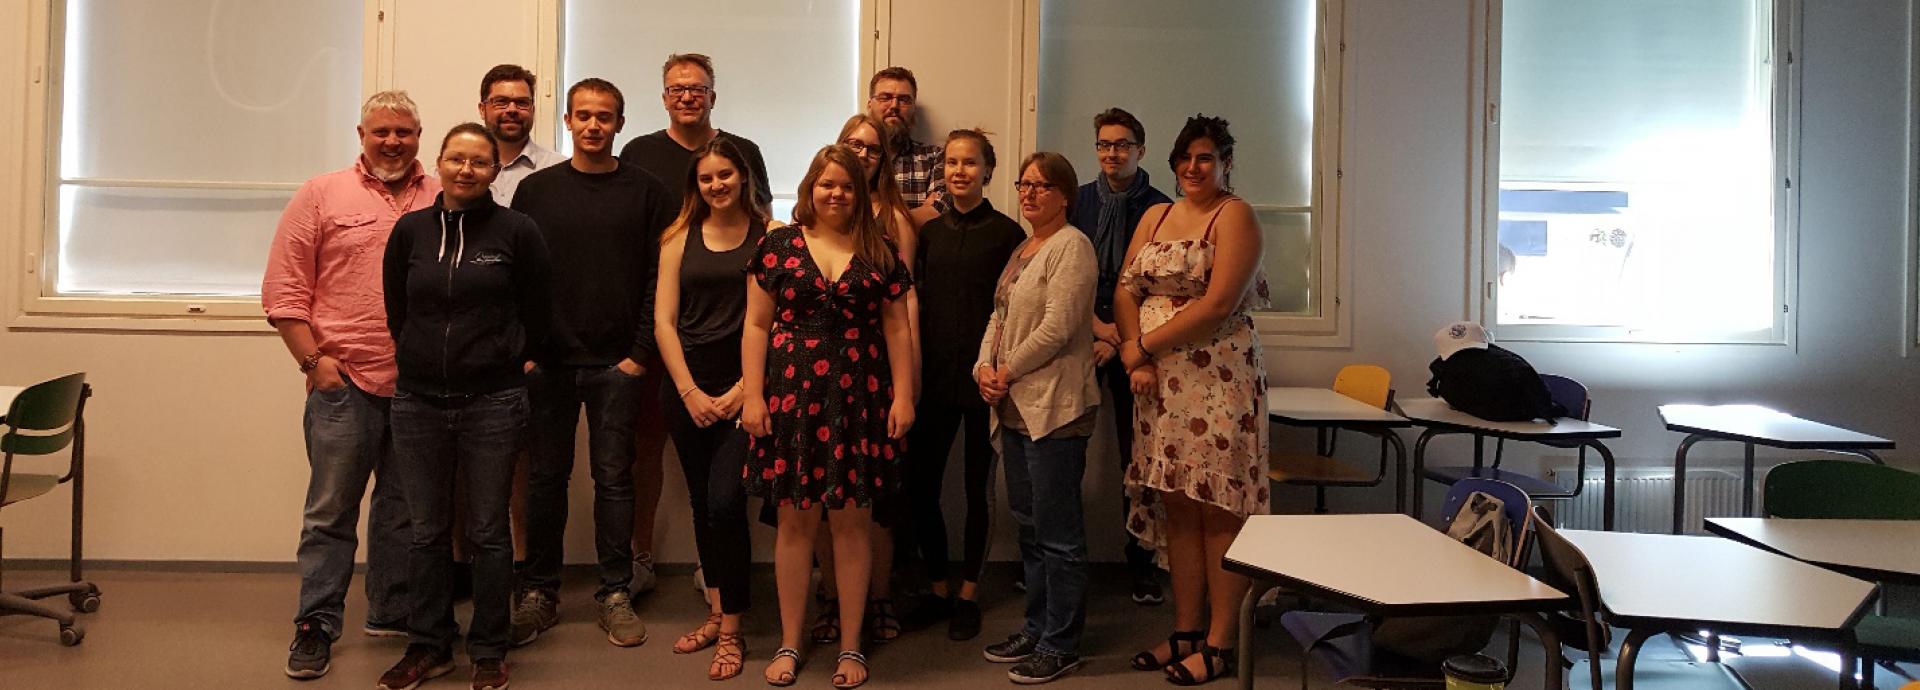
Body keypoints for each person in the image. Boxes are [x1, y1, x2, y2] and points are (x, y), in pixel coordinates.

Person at [265, 90, 438, 680]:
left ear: (420, 135)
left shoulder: (442, 194)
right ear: (360, 133)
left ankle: (391, 612)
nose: (393, 141)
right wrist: (315, 364)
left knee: (404, 510)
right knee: (331, 513)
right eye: (381, 131)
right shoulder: (321, 193)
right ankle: (315, 624)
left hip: (419, 385)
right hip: (344, 380)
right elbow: (285, 289)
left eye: (405, 132)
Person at [376, 122, 552, 690]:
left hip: (493, 403)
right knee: (426, 531)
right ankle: (429, 646)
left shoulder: (518, 231)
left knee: (488, 531)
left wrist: (510, 358)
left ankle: (488, 650)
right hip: (419, 402)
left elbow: (540, 309)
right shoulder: (410, 232)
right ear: (440, 164)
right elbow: (397, 310)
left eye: (479, 162)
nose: (467, 170)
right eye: (457, 159)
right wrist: (420, 360)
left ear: (494, 171)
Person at [741, 145, 916, 689]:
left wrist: (904, 396)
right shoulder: (778, 246)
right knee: (795, 524)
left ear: (859, 192)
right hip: (791, 397)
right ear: (810, 188)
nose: (835, 193)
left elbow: (896, 328)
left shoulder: (879, 247)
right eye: (826, 184)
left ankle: (851, 647)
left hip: (860, 396)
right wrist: (752, 397)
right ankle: (790, 642)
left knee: (852, 524)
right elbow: (755, 327)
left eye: (845, 185)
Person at [508, 77, 673, 649]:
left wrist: (638, 356)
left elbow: (661, 277)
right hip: (548, 365)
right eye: (584, 115)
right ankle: (540, 592)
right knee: (546, 480)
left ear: (620, 124)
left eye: (605, 116)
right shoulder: (537, 190)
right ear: (569, 122)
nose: (594, 125)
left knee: (615, 480)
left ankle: (614, 591)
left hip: (617, 365)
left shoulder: (648, 191)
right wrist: (526, 354)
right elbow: (520, 277)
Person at [1116, 115, 1270, 686]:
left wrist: (1139, 347)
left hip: (1220, 382)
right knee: (1178, 505)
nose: (1193, 168)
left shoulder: (1237, 216)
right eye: (1186, 158)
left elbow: (1217, 304)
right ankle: (1184, 631)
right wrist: (1139, 353)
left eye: (1205, 158)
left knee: (1218, 507)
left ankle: (1221, 641)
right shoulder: (1156, 215)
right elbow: (1127, 286)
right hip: (1158, 384)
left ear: (1225, 162)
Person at [974, 151, 1100, 685]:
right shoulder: (1026, 248)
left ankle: (1061, 642)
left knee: (1059, 535)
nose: (1028, 193)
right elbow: (998, 315)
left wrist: (1003, 369)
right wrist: (982, 366)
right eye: (1024, 184)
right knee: (1029, 528)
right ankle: (1036, 626)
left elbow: (1059, 328)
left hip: (1055, 409)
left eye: (1042, 186)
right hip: (1016, 407)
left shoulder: (1072, 246)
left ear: (1064, 195)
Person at [654, 138, 769, 681]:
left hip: (747, 391)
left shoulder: (772, 238)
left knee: (726, 503)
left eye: (726, 175)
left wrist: (748, 388)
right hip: (688, 390)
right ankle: (719, 611)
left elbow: (778, 324)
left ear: (743, 177)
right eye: (706, 178)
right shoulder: (678, 238)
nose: (717, 185)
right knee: (702, 503)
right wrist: (688, 392)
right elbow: (663, 323)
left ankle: (732, 631)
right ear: (695, 186)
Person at [902, 129, 1024, 642]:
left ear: (987, 171)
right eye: (951, 163)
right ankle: (936, 587)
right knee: (919, 487)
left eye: (969, 163)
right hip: (931, 378)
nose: (958, 171)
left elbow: (1015, 313)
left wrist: (1002, 369)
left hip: (983, 382)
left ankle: (969, 593)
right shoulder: (927, 233)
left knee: (979, 490)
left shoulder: (1008, 234)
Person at [811, 113, 919, 648]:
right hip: (815, 383)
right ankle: (832, 600)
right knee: (828, 501)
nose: (863, 153)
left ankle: (875, 598)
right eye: (853, 144)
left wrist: (908, 383)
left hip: (871, 377)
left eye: (872, 148)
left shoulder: (891, 219)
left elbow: (903, 305)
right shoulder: (817, 213)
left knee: (870, 502)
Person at [1067, 107, 1173, 607]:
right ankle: (1061, 560)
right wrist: (1098, 329)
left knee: (1139, 455)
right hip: (1082, 337)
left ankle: (1143, 562)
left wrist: (1121, 339)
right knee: (1066, 450)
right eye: (1105, 144)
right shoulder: (1078, 202)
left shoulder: (1161, 208)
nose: (1113, 153)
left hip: (1139, 344)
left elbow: (1161, 288)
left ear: (1141, 150)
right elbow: (1065, 273)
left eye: (1123, 145)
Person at [621, 53, 774, 217]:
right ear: (665, 100)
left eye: (697, 89)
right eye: (676, 90)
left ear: (712, 99)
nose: (687, 98)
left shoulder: (744, 151)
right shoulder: (638, 153)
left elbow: (763, 219)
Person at [479, 64, 565, 205]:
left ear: (533, 109)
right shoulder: (461, 172)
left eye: (522, 103)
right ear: (482, 109)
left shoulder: (559, 170)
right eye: (501, 102)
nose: (512, 110)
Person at [866, 66, 944, 220]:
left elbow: (940, 213)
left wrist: (871, 222)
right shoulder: (852, 156)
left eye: (904, 100)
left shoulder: (935, 157)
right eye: (885, 97)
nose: (894, 106)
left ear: (913, 108)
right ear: (869, 105)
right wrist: (919, 214)